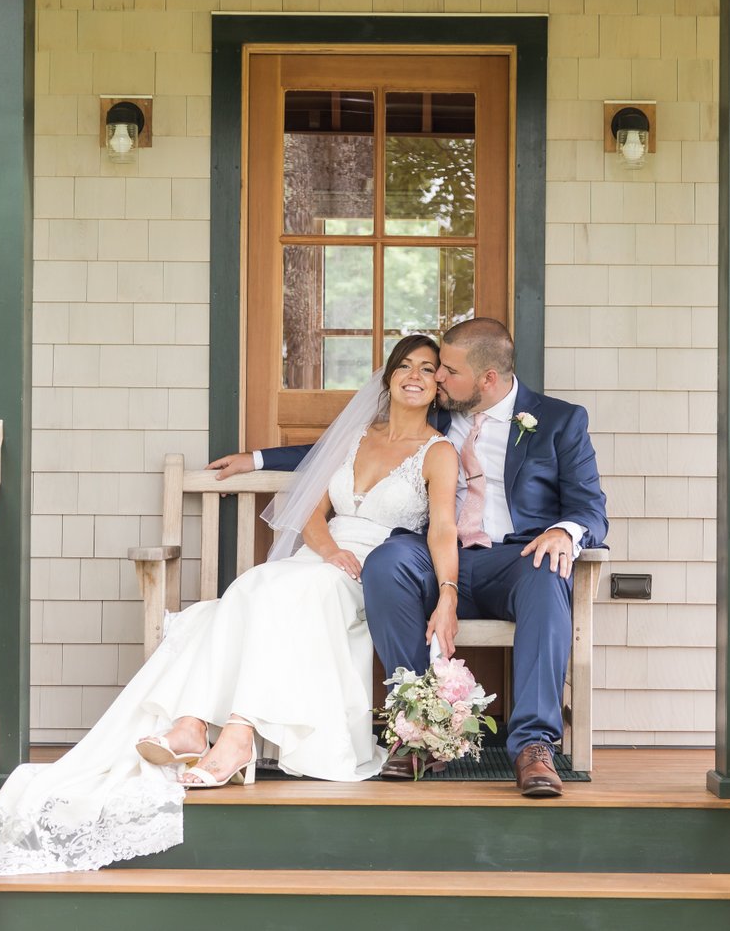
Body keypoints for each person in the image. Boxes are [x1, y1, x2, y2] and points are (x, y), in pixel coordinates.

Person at [0, 336, 458, 875]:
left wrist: (446, 592)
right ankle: (197, 727)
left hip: (372, 571)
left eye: (428, 368)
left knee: (279, 595)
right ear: (389, 377)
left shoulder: (438, 452)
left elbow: (442, 529)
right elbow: (313, 514)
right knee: (251, 586)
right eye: (405, 366)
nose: (414, 375)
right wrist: (328, 550)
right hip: (325, 556)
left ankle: (233, 734)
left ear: (439, 383)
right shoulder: (354, 439)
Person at [210, 318, 608, 797]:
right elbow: (342, 451)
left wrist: (566, 532)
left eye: (447, 371)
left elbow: (590, 508)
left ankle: (533, 746)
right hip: (434, 554)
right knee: (386, 561)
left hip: (514, 560)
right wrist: (255, 460)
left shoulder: (560, 421)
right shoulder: (438, 416)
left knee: (548, 572)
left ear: (487, 379)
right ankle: (415, 729)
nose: (436, 378)